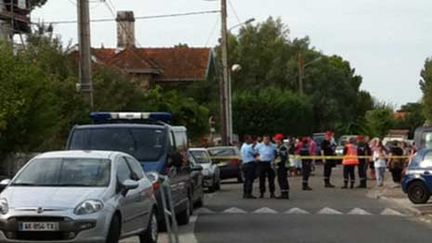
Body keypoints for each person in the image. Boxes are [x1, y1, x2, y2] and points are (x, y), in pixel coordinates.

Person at [274, 134, 290, 199]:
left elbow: (282, 158)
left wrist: (275, 162)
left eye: (276, 139)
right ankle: (283, 193)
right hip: (281, 165)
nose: (275, 141)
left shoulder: (282, 147)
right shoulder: (279, 147)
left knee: (282, 179)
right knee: (281, 179)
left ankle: (284, 194)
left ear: (279, 140)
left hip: (282, 166)